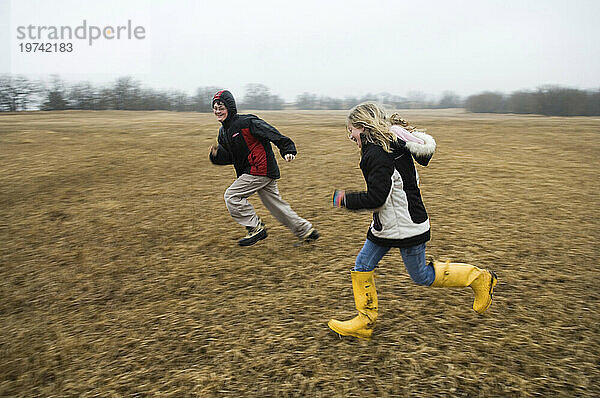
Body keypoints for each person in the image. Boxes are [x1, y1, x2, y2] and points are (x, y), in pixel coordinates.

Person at [328, 102, 497, 339]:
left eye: (351, 130)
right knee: (362, 265)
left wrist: (344, 199)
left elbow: (377, 198)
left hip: (405, 226)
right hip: (388, 225)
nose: (350, 135)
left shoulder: (376, 153)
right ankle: (365, 321)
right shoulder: (389, 145)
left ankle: (479, 278)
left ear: (364, 126)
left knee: (421, 276)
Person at [209, 90, 319, 246]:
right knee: (276, 207)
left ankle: (255, 227)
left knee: (232, 196)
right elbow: (230, 157)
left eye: (221, 107)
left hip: (260, 169)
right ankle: (306, 230)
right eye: (215, 108)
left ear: (230, 107)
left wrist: (287, 148)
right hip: (258, 171)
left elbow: (270, 132)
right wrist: (216, 156)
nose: (218, 111)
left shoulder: (246, 122)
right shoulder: (223, 133)